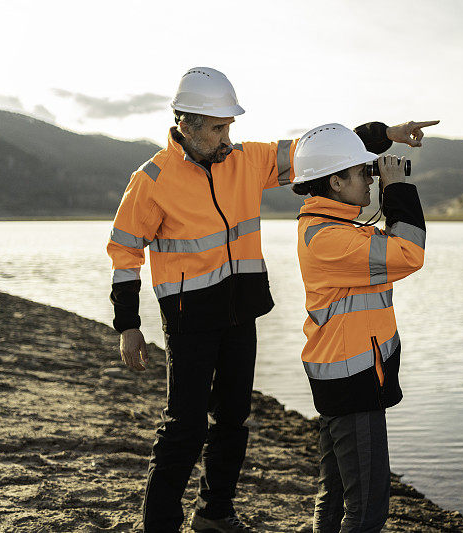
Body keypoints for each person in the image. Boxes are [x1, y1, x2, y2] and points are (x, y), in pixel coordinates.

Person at [106, 66, 433, 532]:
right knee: (184, 427)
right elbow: (124, 250)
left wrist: (384, 134)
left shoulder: (245, 159)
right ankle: (160, 524)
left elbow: (318, 154)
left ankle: (214, 513)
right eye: (218, 128)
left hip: (241, 311)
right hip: (189, 317)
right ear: (187, 124)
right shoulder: (152, 179)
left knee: (234, 419)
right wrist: (128, 324)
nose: (227, 137)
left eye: (229, 126)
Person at [291, 121, 434, 532]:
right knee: (367, 508)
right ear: (335, 182)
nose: (369, 180)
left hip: (344, 376)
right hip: (352, 381)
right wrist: (397, 189)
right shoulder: (331, 239)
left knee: (335, 495)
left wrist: (385, 134)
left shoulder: (332, 228)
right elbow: (409, 252)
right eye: (360, 173)